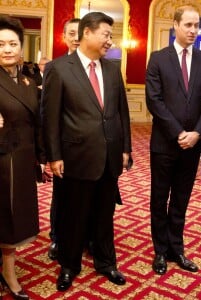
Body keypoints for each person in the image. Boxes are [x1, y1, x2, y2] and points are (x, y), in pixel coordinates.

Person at [41, 12, 132, 291]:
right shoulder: (59, 68)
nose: (110, 40)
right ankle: (69, 265)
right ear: (87, 33)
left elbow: (122, 113)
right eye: (105, 33)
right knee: (74, 215)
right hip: (75, 157)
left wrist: (126, 148)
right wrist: (53, 155)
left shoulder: (113, 69)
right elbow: (50, 116)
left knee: (105, 214)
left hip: (109, 157)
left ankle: (106, 263)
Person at [145, 5, 201, 275]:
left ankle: (177, 249)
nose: (193, 31)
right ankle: (160, 251)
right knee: (159, 198)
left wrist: (197, 133)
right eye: (188, 25)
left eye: (196, 25)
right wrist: (178, 133)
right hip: (165, 144)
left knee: (181, 200)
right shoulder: (158, 59)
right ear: (175, 25)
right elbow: (154, 101)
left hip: (193, 144)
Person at [0, 15, 46, 299]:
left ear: (21, 47)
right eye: (0, 44)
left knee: (14, 217)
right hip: (2, 157)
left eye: (12, 43)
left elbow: (37, 121)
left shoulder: (29, 80)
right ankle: (7, 269)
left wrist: (42, 157)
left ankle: (7, 268)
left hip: (23, 158)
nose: (7, 49)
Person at [47, 17, 80, 261]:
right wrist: (52, 153)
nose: (76, 37)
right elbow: (48, 114)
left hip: (91, 149)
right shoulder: (54, 67)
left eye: (81, 33)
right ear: (64, 36)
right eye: (71, 33)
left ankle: (84, 237)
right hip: (65, 147)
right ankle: (57, 238)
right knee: (61, 196)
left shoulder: (100, 67)